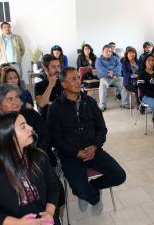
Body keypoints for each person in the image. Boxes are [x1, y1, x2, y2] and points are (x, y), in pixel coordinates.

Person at [47, 67, 126, 215]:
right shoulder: (55, 108)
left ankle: (91, 188)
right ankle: (93, 197)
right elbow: (54, 138)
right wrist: (75, 152)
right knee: (79, 190)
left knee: (119, 176)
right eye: (74, 79)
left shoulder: (90, 102)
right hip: (71, 155)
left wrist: (95, 146)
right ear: (63, 84)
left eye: (78, 77)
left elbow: (101, 129)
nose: (79, 81)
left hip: (93, 150)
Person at [0, 112, 60, 225]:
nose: (30, 128)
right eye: (23, 126)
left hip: (44, 218)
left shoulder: (39, 156)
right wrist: (18, 222)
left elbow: (53, 188)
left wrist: (49, 213)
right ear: (7, 135)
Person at [0, 84, 49, 158]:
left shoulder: (31, 114)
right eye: (10, 99)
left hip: (36, 159)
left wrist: (33, 157)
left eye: (17, 97)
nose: (15, 102)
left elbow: (44, 136)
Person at [95, 45, 126, 112]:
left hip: (116, 77)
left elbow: (119, 67)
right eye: (107, 51)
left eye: (110, 51)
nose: (108, 52)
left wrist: (114, 73)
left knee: (125, 82)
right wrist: (112, 74)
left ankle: (125, 103)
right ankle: (102, 105)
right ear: (102, 51)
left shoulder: (115, 58)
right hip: (105, 78)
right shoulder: (98, 60)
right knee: (102, 85)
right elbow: (101, 70)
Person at [137, 54, 154, 131]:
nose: (151, 62)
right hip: (147, 95)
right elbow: (142, 89)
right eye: (149, 60)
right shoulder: (142, 74)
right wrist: (153, 95)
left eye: (152, 60)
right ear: (145, 62)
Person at [34, 55, 63, 120]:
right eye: (53, 67)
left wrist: (49, 102)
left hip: (63, 116)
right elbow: (41, 103)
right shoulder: (39, 85)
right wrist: (50, 85)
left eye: (58, 66)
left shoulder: (63, 83)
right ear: (45, 68)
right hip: (47, 118)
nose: (57, 69)